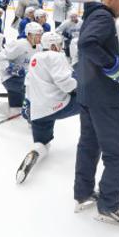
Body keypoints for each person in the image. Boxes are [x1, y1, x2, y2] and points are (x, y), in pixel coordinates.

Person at [74, 0, 119, 227]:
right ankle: (109, 206)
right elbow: (88, 44)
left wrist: (118, 65)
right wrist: (112, 66)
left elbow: (92, 48)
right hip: (103, 98)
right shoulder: (103, 17)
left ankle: (83, 193)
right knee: (118, 152)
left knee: (89, 145)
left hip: (88, 93)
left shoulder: (92, 15)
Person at [16, 32, 79, 184]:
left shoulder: (34, 58)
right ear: (52, 45)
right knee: (90, 102)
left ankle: (34, 152)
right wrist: (79, 85)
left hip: (38, 112)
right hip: (58, 106)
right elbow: (65, 82)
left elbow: (28, 83)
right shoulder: (56, 56)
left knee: (43, 144)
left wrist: (27, 103)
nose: (60, 47)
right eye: (59, 44)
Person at [0, 22, 44, 117]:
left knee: (15, 111)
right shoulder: (19, 45)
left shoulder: (39, 47)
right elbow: (0, 58)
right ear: (30, 35)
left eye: (41, 35)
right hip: (10, 78)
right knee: (34, 85)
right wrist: (13, 68)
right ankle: (31, 107)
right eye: (38, 35)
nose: (40, 37)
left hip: (23, 79)